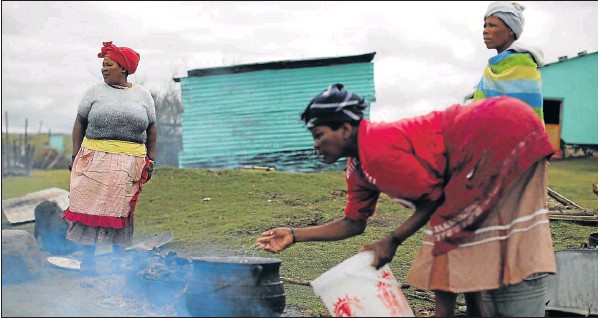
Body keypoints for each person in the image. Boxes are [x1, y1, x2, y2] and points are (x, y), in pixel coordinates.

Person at [256, 83, 557, 317]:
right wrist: (295, 235)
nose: (317, 143)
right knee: (453, 236)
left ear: (345, 128)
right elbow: (353, 223)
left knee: (446, 233)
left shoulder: (377, 148)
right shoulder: (358, 166)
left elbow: (435, 200)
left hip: (501, 129)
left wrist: (392, 239)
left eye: (319, 134)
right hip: (482, 145)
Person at [62, 41, 157, 276]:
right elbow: (79, 123)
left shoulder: (143, 95)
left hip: (129, 161)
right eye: (103, 65)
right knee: (89, 206)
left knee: (121, 209)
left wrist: (151, 159)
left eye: (109, 65)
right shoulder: (94, 93)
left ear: (123, 68)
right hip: (94, 159)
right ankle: (89, 261)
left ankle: (117, 260)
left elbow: (152, 128)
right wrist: (75, 155)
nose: (104, 69)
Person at [473, 1, 545, 122]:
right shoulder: (492, 68)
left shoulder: (524, 68)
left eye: (492, 25)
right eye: (485, 25)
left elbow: (529, 121)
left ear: (511, 30)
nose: (485, 30)